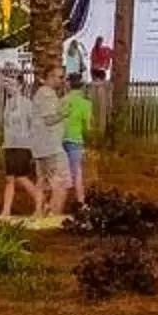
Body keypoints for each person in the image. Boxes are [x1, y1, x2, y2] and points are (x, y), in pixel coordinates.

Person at [0, 72, 54, 220]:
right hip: (9, 145)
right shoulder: (8, 104)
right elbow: (6, 125)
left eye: (11, 84)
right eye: (7, 85)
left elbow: (35, 125)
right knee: (10, 179)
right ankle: (5, 211)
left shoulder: (26, 104)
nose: (9, 88)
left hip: (23, 145)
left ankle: (42, 202)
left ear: (20, 85)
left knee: (21, 177)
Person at [56, 74, 97, 215]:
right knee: (76, 173)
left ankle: (56, 204)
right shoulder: (86, 104)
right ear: (82, 86)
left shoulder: (61, 101)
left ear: (68, 85)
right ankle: (81, 203)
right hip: (75, 141)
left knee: (60, 173)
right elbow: (89, 127)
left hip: (60, 141)